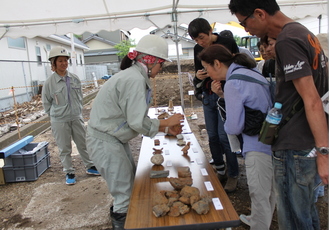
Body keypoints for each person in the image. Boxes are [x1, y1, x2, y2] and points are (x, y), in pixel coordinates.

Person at [229, 1, 329, 229]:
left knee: (294, 219)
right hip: (306, 142)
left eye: (245, 22)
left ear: (260, 13)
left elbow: (312, 98)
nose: (246, 30)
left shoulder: (287, 40)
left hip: (295, 145)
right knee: (305, 214)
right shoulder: (304, 33)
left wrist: (324, 151)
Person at [85, 35, 184, 230]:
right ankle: (121, 223)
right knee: (125, 193)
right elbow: (137, 122)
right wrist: (167, 122)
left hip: (112, 140)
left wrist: (164, 128)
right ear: (151, 60)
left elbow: (135, 118)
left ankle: (124, 219)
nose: (160, 69)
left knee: (128, 185)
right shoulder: (134, 79)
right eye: (161, 65)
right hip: (105, 142)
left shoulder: (134, 76)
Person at [199, 44, 276, 229]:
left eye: (206, 67)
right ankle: (258, 220)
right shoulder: (250, 72)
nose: (206, 72)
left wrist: (225, 123)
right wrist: (223, 96)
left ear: (217, 63)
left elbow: (234, 126)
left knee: (259, 192)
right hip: (271, 138)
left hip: (256, 144)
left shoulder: (233, 82)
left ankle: (259, 226)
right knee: (270, 190)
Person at [188, 17, 240, 192]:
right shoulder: (197, 49)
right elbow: (198, 74)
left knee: (225, 136)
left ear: (210, 31)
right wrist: (198, 78)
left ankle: (233, 174)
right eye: (196, 40)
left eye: (202, 37)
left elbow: (236, 69)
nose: (200, 42)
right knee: (212, 136)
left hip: (224, 96)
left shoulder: (227, 43)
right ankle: (220, 170)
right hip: (208, 97)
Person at [42, 47, 100, 185]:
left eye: (65, 60)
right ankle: (69, 171)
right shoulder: (49, 83)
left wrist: (77, 111)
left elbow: (79, 97)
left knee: (83, 143)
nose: (63, 63)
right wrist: (56, 115)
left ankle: (90, 166)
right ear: (53, 64)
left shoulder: (74, 79)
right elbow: (46, 103)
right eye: (60, 61)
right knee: (64, 147)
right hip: (59, 120)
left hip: (76, 117)